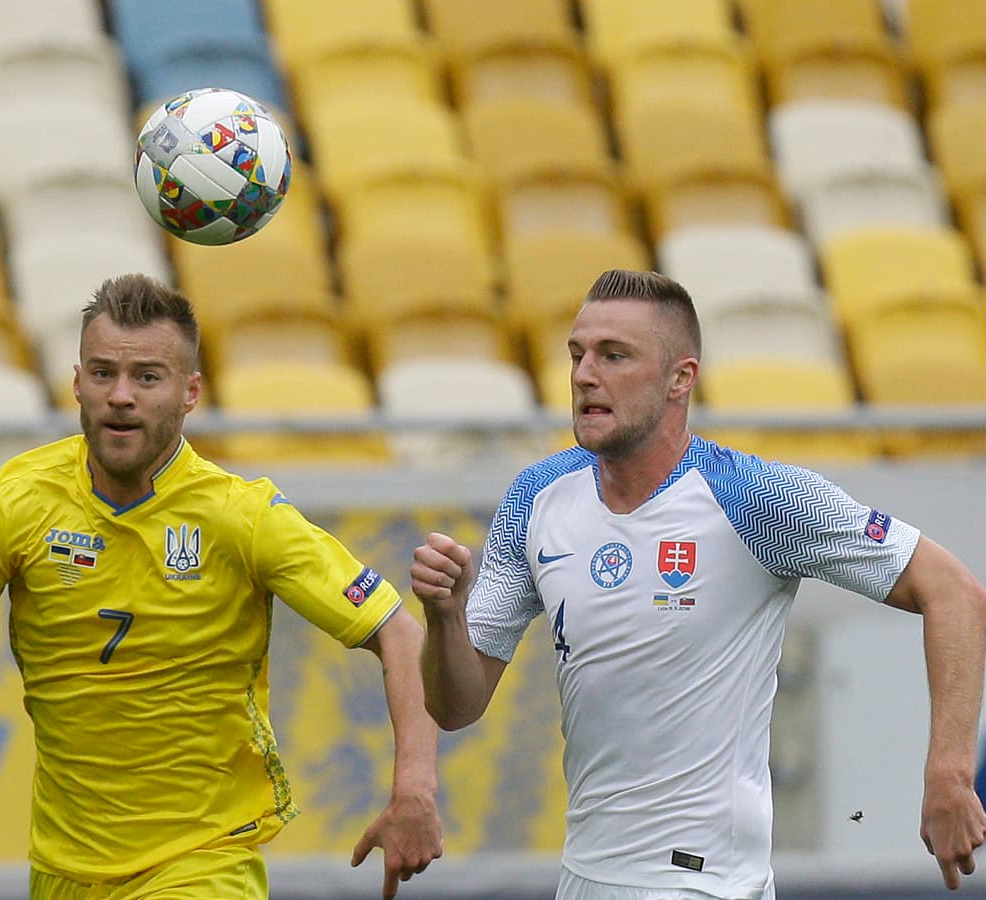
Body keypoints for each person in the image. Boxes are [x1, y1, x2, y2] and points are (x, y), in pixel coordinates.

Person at [411, 269, 986, 900]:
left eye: (614, 355)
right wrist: (445, 617)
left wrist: (950, 772)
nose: (583, 375)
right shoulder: (535, 498)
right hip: (583, 878)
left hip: (706, 883)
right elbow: (456, 706)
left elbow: (954, 592)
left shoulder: (754, 498)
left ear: (680, 378)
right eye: (577, 354)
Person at [0, 273, 442, 900]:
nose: (120, 396)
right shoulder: (20, 499)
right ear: (75, 383)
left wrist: (413, 793)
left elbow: (398, 631)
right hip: (64, 868)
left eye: (147, 377)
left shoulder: (243, 516)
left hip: (202, 862)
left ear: (190, 392)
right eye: (102, 374)